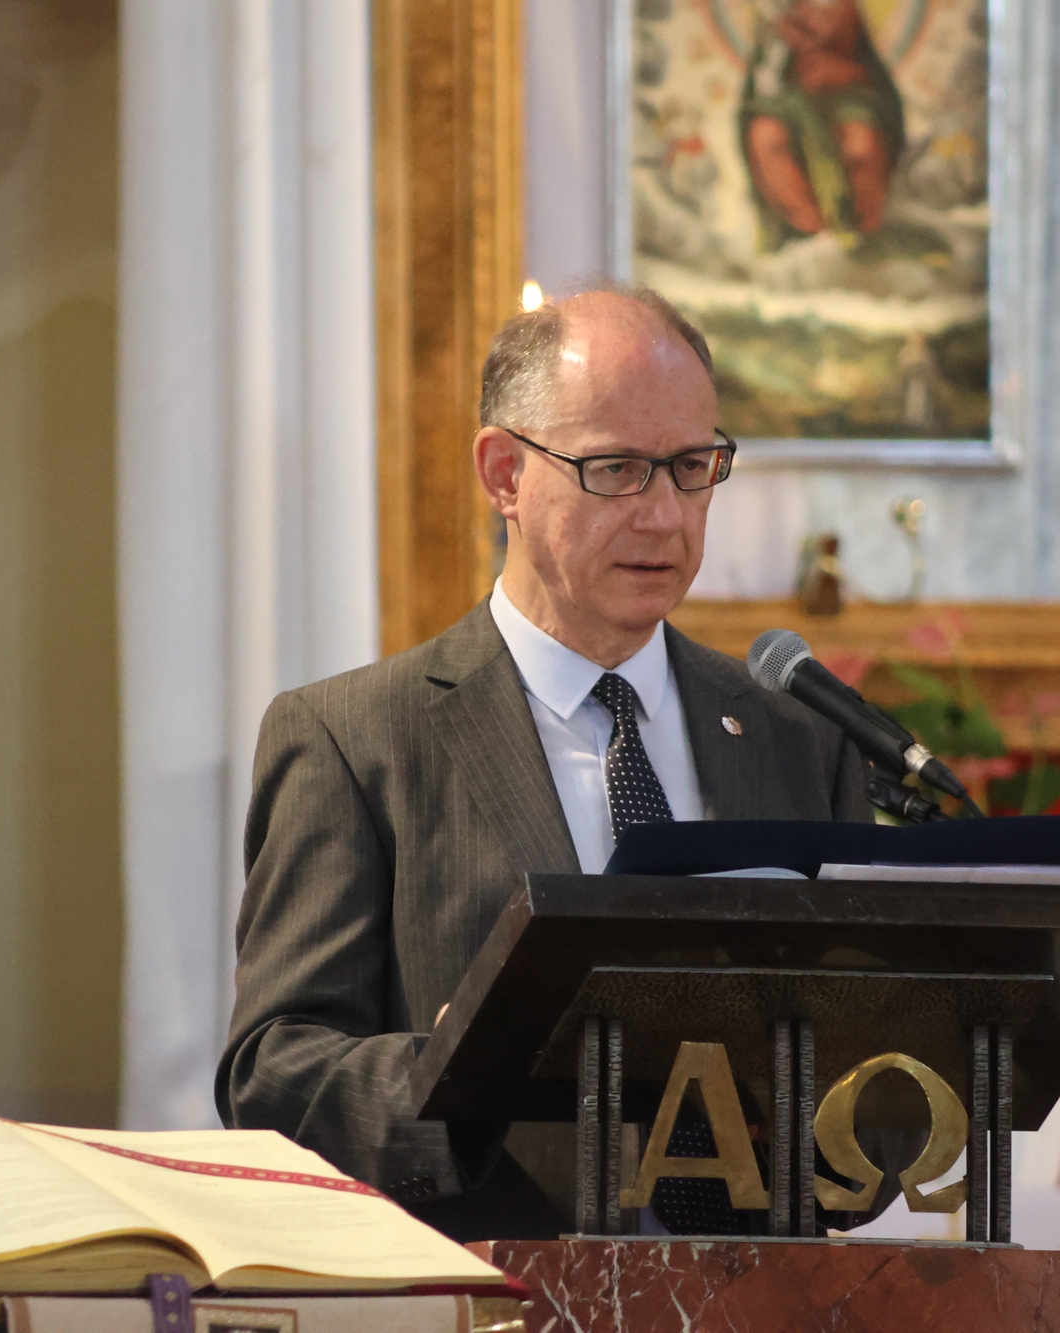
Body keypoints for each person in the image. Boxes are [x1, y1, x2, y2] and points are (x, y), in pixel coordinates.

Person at [215, 284, 872, 1240]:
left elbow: (873, 1090)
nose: (664, 514)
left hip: (762, 1287)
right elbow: (273, 1075)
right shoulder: (354, 739)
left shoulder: (798, 735)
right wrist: (463, 1066)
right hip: (495, 1285)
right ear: (505, 474)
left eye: (692, 467)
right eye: (616, 469)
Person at [740, 0, 905, 244]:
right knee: (766, 137)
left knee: (861, 144)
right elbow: (764, 79)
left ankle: (867, 232)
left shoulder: (843, 10)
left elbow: (864, 68)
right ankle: (810, 234)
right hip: (787, 101)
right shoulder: (773, 15)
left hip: (849, 96)